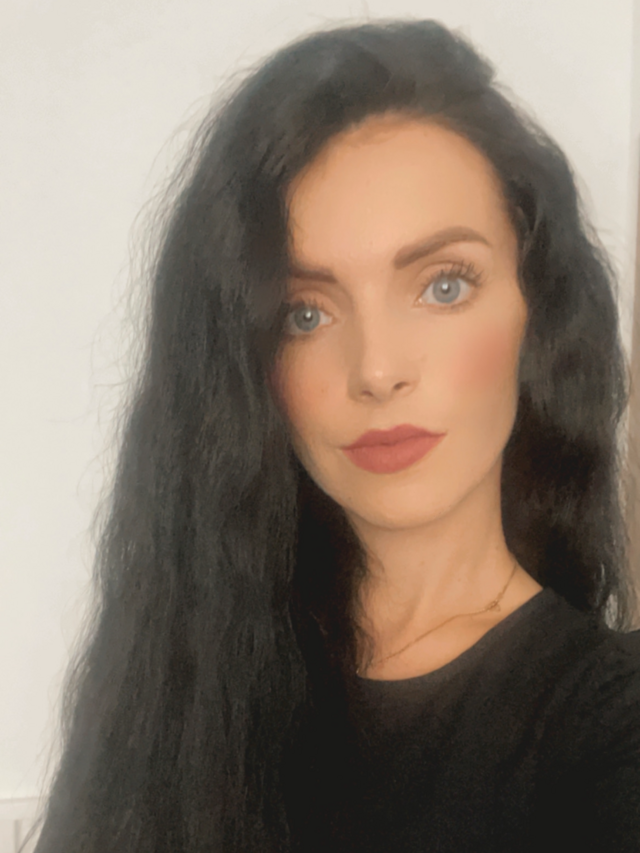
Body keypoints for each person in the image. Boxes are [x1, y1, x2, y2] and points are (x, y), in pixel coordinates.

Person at [29, 17, 640, 853]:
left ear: (539, 315)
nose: (376, 369)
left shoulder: (609, 728)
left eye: (444, 285)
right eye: (305, 313)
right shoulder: (178, 690)